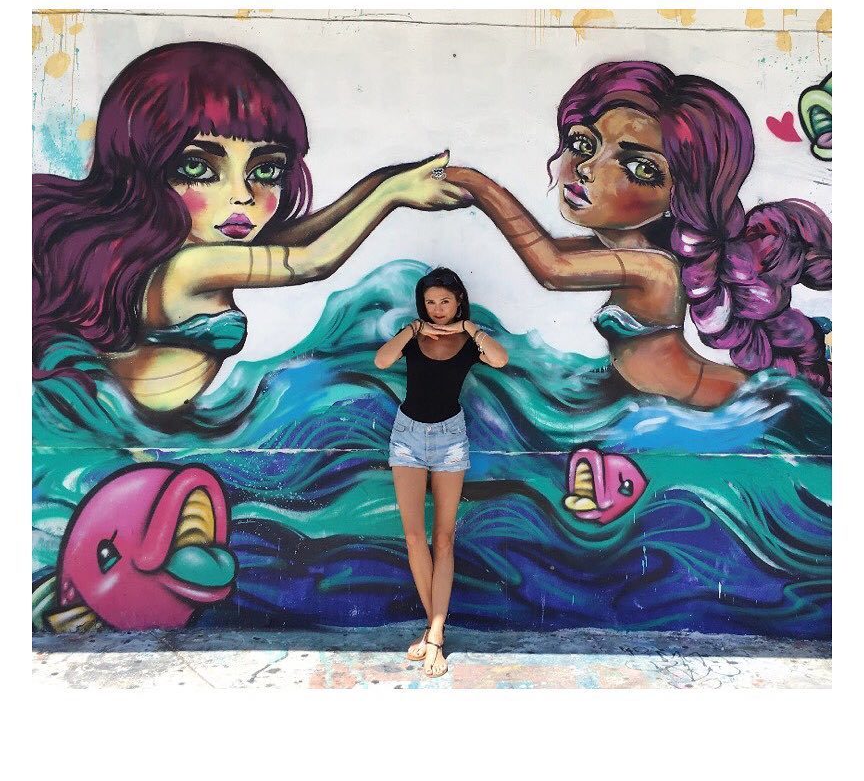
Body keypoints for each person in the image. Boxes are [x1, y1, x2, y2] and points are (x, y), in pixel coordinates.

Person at [33, 41, 466, 412]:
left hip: (159, 435)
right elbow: (311, 261)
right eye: (198, 167)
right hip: (138, 437)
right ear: (142, 168)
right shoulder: (188, 267)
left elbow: (304, 235)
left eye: (265, 170)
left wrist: (381, 184)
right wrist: (389, 195)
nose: (242, 196)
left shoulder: (196, 251)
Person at [446, 60, 832, 407]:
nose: (587, 168)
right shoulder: (628, 248)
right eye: (583, 143)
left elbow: (553, 268)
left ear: (679, 197)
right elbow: (545, 250)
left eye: (640, 168)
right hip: (656, 406)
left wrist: (475, 185)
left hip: (708, 411)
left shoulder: (655, 269)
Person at [374, 267, 508, 677]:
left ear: (459, 301)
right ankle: (435, 628)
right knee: (414, 537)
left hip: (451, 438)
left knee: (444, 539)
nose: (437, 308)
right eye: (430, 302)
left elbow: (500, 360)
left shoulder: (469, 340)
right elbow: (381, 361)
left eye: (445, 301)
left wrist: (468, 327)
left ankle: (434, 634)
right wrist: (413, 329)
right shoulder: (414, 335)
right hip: (407, 437)